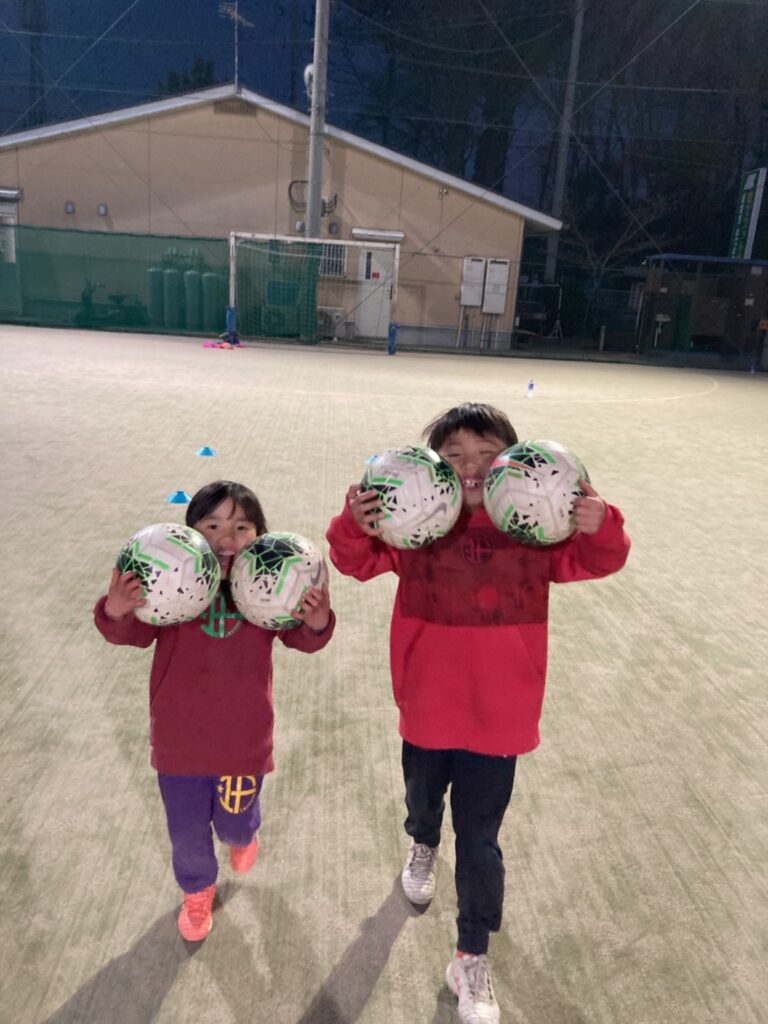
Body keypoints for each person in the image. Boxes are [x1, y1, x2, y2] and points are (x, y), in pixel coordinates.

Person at [326, 403, 630, 1024]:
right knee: (422, 800)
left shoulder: (536, 530)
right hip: (427, 705)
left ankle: (470, 954)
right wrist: (354, 524)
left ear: (513, 464)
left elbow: (601, 559)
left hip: (500, 717)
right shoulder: (414, 526)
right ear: (434, 464)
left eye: (487, 455)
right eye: (455, 455)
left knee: (481, 839)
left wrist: (601, 524)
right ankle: (421, 842)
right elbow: (353, 562)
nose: (471, 466)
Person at [94, 480, 334, 942]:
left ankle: (245, 834)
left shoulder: (268, 593)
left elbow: (302, 639)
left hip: (243, 743)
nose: (227, 538)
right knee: (186, 833)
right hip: (179, 744)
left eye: (242, 527)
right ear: (190, 534)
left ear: (260, 535)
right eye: (213, 525)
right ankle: (197, 890)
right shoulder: (169, 590)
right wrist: (117, 609)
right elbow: (130, 634)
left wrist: (316, 621)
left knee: (234, 826)